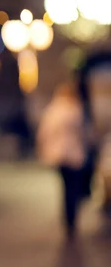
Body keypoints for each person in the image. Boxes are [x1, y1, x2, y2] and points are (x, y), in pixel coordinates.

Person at [37, 81, 93, 238]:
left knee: (66, 186)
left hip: (58, 155)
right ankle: (71, 217)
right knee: (73, 187)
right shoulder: (77, 111)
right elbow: (86, 134)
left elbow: (44, 133)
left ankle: (68, 218)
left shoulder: (52, 111)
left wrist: (43, 150)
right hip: (75, 154)